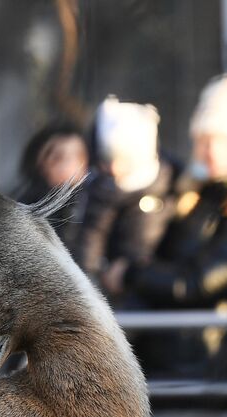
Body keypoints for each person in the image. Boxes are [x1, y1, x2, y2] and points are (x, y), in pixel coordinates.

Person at [110, 75, 227, 383]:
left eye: (224, 142)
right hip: (165, 357)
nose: (211, 151)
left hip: (211, 363)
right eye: (203, 140)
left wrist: (133, 274)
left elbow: (201, 281)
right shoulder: (191, 195)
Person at [76, 96, 179, 298]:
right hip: (112, 282)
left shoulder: (171, 183)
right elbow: (91, 236)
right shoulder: (102, 189)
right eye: (108, 159)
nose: (114, 169)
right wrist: (87, 277)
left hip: (152, 283)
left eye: (122, 160)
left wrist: (135, 272)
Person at [14, 120, 91, 254]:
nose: (69, 165)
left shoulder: (94, 201)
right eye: (58, 158)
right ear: (40, 161)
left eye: (78, 157)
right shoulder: (26, 207)